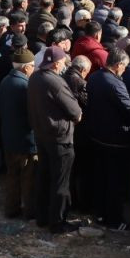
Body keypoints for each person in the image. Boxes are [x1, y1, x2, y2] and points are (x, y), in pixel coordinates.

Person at [27, 46, 82, 233]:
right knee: (61, 181)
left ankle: (42, 217)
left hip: (41, 134)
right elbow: (75, 112)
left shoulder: (35, 77)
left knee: (44, 176)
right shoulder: (55, 82)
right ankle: (58, 222)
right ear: (57, 64)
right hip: (59, 138)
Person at [86, 47, 130, 230]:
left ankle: (100, 214)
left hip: (97, 135)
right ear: (119, 64)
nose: (125, 70)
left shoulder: (94, 77)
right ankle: (114, 220)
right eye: (125, 66)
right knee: (115, 181)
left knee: (101, 177)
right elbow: (128, 110)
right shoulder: (115, 83)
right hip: (115, 140)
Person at [0, 48, 38, 220]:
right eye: (33, 66)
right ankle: (30, 211)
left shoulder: (6, 80)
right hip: (26, 141)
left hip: (9, 137)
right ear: (26, 67)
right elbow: (32, 114)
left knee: (12, 175)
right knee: (29, 178)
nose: (34, 69)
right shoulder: (25, 85)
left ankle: (11, 208)